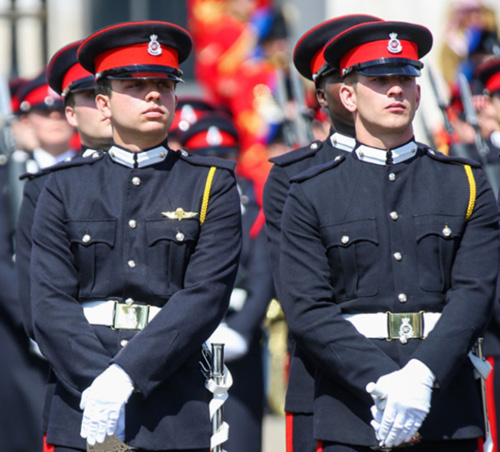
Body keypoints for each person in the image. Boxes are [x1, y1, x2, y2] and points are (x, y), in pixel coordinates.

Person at [278, 19, 500, 452]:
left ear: (419, 91)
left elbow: (474, 293)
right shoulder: (309, 192)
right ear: (347, 94)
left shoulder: (466, 184)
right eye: (379, 80)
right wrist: (380, 381)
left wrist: (421, 376)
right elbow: (308, 308)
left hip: (447, 402)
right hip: (353, 406)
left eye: (405, 77)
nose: (396, 89)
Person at [28, 21, 241, 451]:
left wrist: (124, 376)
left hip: (173, 402)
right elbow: (48, 302)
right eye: (135, 84)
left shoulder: (210, 185)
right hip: (82, 401)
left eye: (163, 85)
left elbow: (205, 295)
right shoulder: (61, 187)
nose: (152, 95)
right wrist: (97, 383)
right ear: (102, 104)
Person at [262, 14, 381, 452]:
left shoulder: (437, 172)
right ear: (322, 93)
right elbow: (303, 296)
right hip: (328, 385)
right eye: (344, 77)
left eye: (380, 74)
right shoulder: (294, 177)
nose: (363, 88)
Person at [15, 40, 113, 452]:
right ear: (71, 112)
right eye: (91, 96)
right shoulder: (48, 189)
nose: (105, 104)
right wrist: (105, 380)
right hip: (81, 382)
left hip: (167, 384)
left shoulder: (187, 179)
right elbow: (41, 305)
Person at [181, 113, 275, 452]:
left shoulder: (257, 202)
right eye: (208, 156)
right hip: (188, 335)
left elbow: (265, 273)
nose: (219, 164)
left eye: (227, 155)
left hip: (238, 333)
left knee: (239, 437)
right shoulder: (177, 200)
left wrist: (240, 329)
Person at [16, 68, 78, 171]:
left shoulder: (94, 168)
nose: (55, 116)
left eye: (62, 110)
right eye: (45, 111)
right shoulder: (9, 173)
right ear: (26, 121)